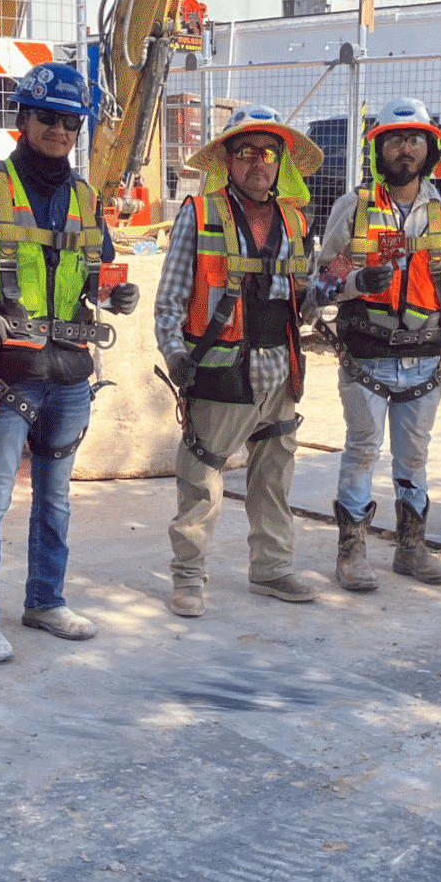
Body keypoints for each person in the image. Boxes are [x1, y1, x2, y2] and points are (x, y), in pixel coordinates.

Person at [0, 61, 138, 663]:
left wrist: (117, 295)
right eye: (49, 118)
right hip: (7, 375)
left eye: (71, 122)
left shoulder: (85, 198)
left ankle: (45, 601)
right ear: (23, 118)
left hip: (69, 375)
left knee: (57, 499)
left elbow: (99, 271)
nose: (60, 131)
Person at [154, 106, 323, 617]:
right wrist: (176, 354)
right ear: (227, 160)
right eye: (245, 152)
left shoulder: (295, 219)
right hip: (222, 368)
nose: (257, 164)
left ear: (280, 163)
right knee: (202, 478)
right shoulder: (200, 214)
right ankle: (188, 577)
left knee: (273, 477)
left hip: (281, 369)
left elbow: (304, 297)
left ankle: (271, 570)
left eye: (267, 154)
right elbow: (171, 297)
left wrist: (340, 286)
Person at [309, 98, 441, 591]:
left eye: (416, 140)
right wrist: (358, 280)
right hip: (366, 356)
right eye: (397, 140)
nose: (407, 150)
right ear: (378, 147)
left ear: (430, 148)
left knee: (414, 460)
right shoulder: (355, 208)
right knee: (362, 452)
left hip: (425, 360)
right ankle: (352, 550)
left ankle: (412, 547)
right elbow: (320, 284)